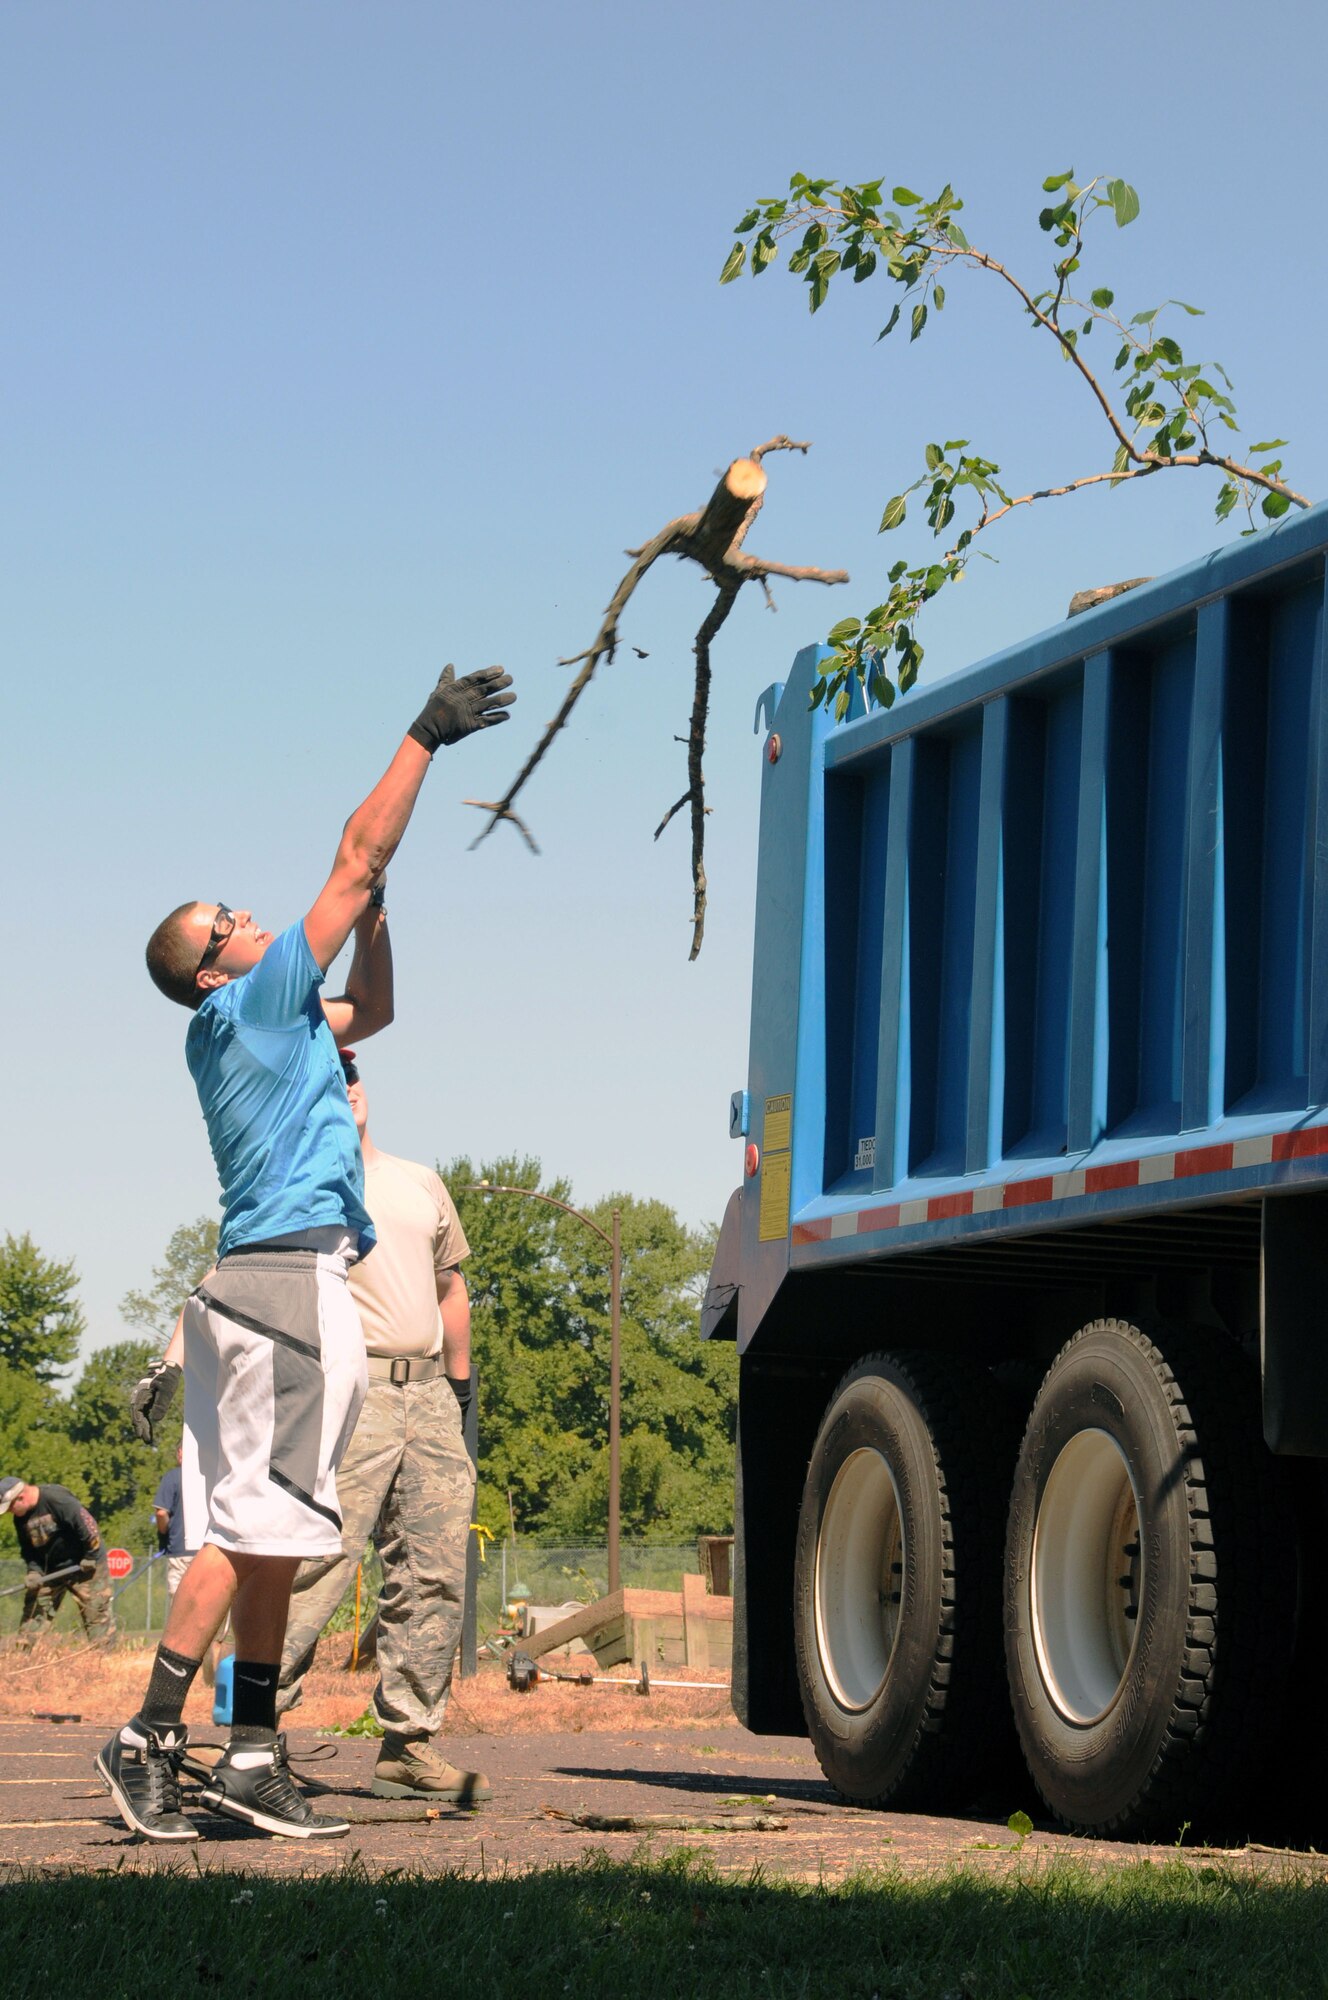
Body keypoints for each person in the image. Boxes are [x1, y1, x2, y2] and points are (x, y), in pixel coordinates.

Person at [98, 661, 515, 1846]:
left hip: (258, 1285)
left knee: (274, 1532)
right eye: (226, 918)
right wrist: (423, 737)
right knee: (248, 1532)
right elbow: (350, 854)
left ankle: (250, 1750)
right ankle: (147, 1735)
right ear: (213, 967)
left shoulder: (258, 1022)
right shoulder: (254, 1002)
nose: (247, 913)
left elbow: (371, 1008)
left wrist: (375, 909)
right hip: (289, 1286)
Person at [277, 1048, 487, 1804]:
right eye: (327, 1079)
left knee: (434, 1572)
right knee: (310, 1563)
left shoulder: (420, 1181)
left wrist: (461, 1392)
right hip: (346, 1390)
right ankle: (247, 1735)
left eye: (353, 1075)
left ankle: (408, 1745)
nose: (347, 1088)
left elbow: (449, 1285)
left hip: (430, 1395)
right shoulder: (291, 1181)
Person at [0, 1476, 115, 1649]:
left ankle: (105, 1661)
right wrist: (34, 1571)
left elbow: (89, 1526)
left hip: (85, 1566)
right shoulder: (21, 1518)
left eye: (10, 1507)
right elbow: (29, 1550)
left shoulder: (56, 1499)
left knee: (97, 1617)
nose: (10, 1512)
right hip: (51, 1571)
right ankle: (22, 1660)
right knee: (33, 1616)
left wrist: (91, 1556)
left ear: (21, 1497)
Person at [153, 1445, 195, 1601]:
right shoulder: (212, 1476)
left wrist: (163, 1532)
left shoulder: (172, 1478)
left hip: (179, 1551)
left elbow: (161, 1512)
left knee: (180, 1608)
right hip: (208, 1551)